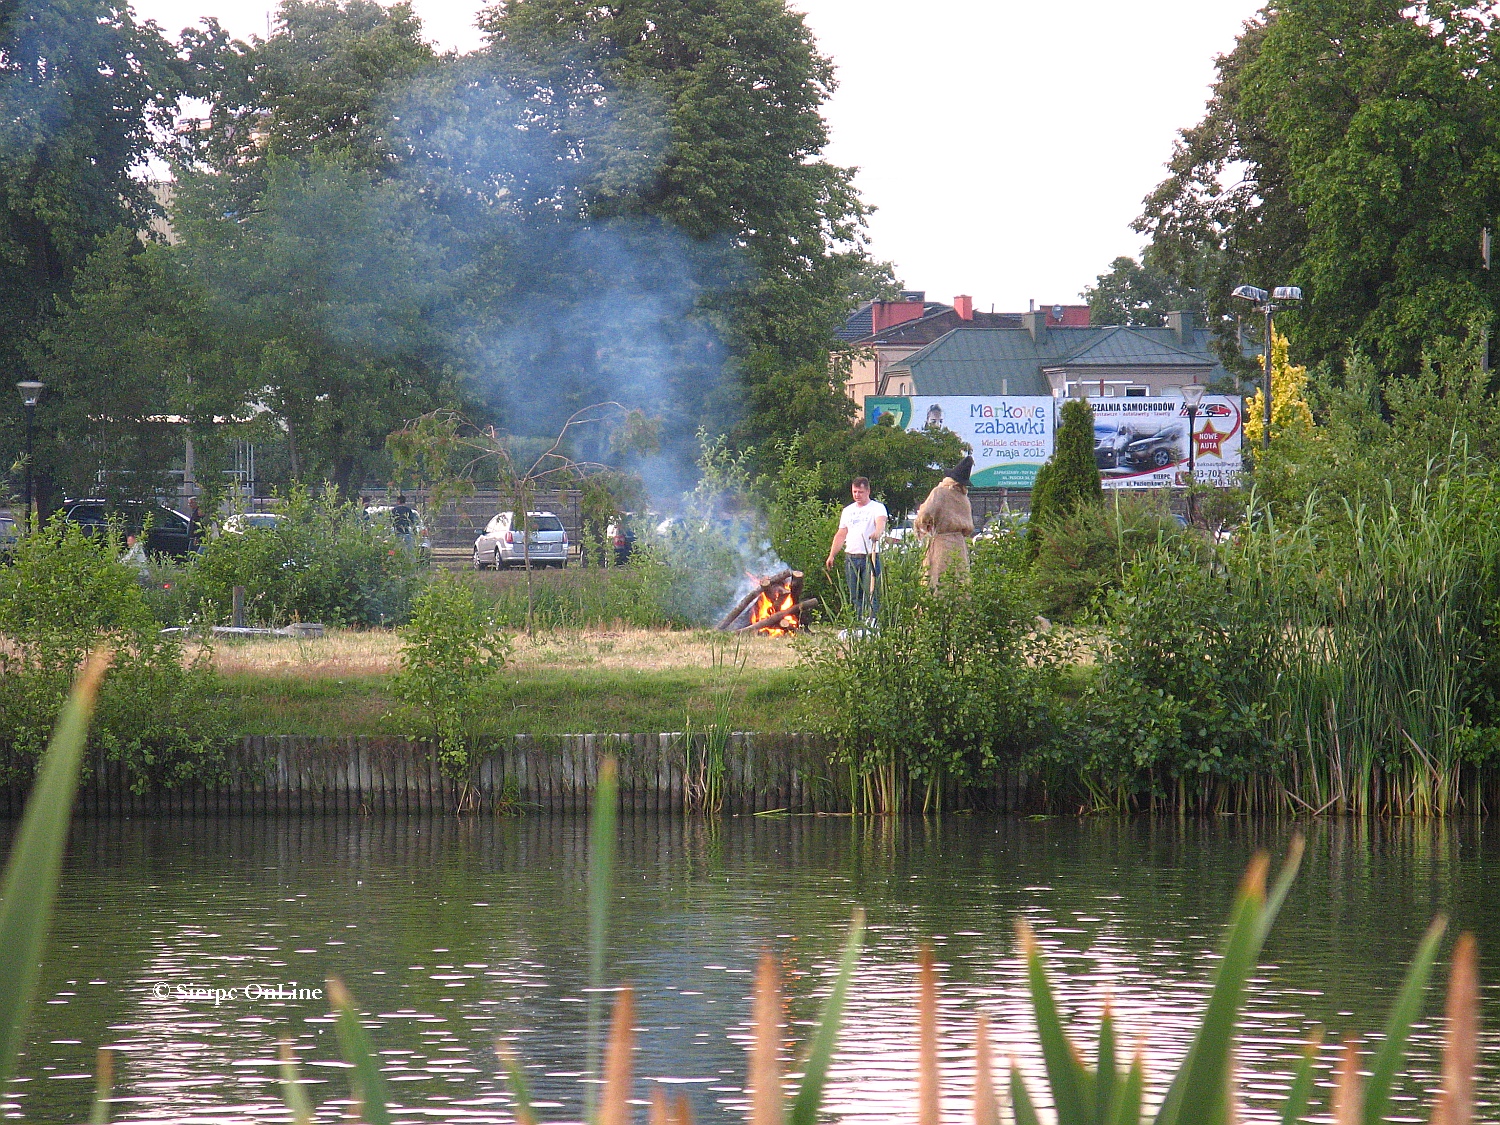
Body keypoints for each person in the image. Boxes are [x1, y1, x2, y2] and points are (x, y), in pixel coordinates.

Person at [825, 477, 887, 623]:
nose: (857, 495)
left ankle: (872, 622)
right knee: (854, 594)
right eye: (854, 492)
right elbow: (841, 534)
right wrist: (832, 555)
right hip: (851, 557)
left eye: (860, 492)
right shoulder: (848, 511)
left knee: (871, 592)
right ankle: (857, 623)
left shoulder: (877, 508)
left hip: (870, 556)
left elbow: (881, 522)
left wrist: (877, 532)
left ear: (868, 491)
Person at [915, 455, 975, 588]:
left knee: (938, 578)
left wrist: (925, 524)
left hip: (941, 543)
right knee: (958, 579)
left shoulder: (940, 492)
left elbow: (925, 514)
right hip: (959, 544)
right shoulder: (964, 498)